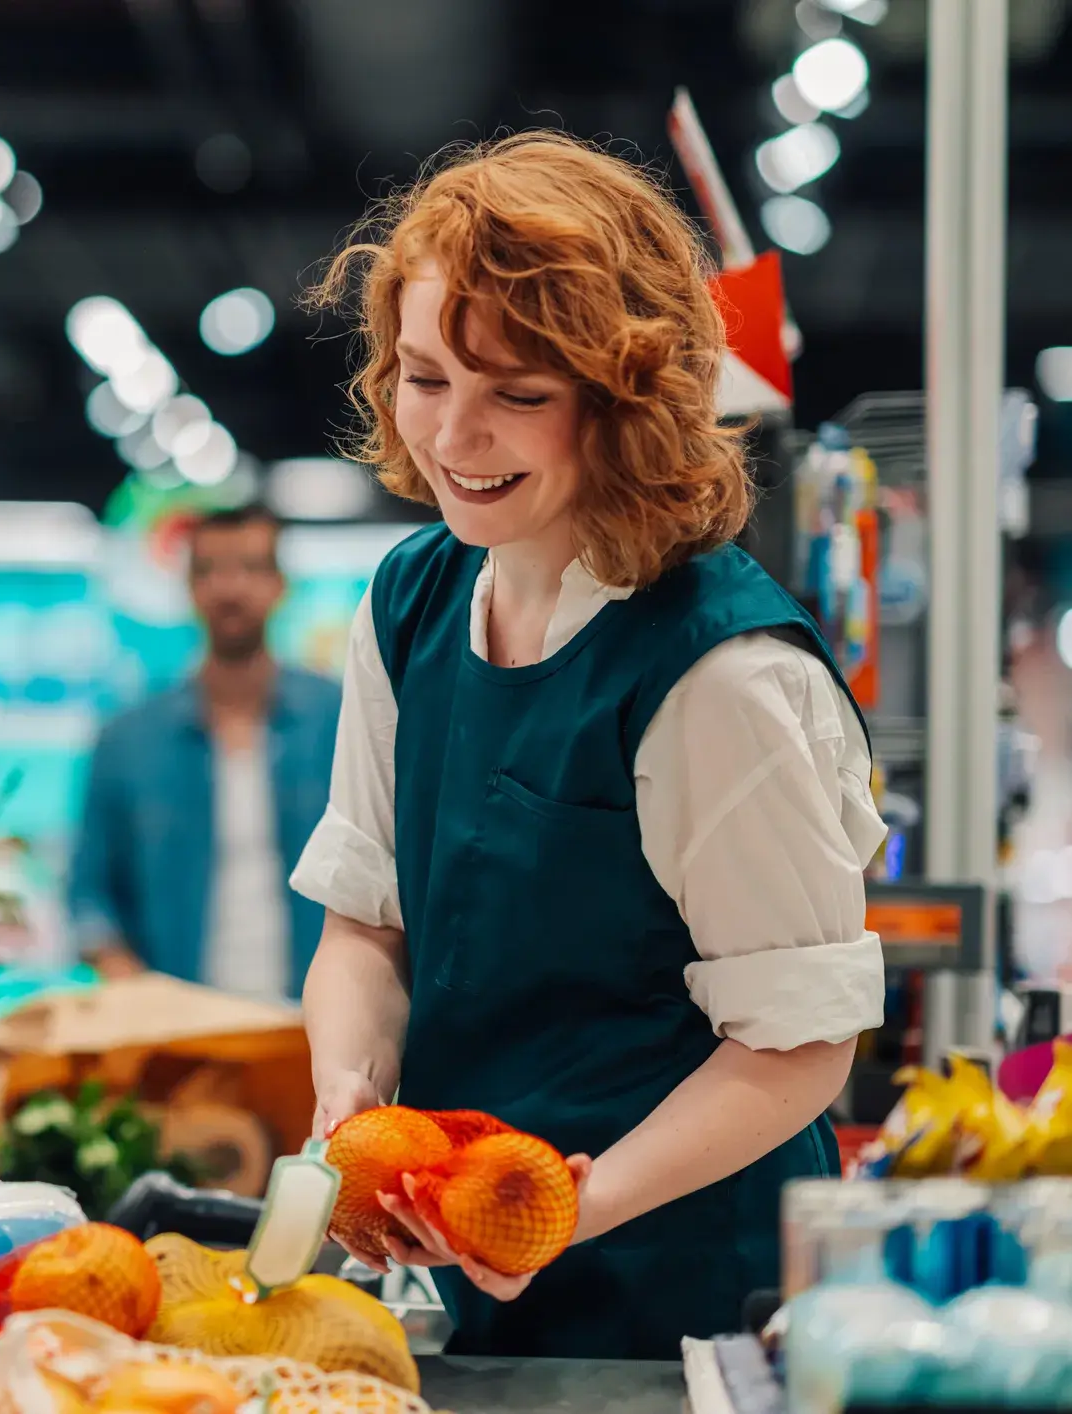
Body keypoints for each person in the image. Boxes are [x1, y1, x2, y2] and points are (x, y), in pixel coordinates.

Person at [290, 132, 885, 1358]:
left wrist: (569, 1210)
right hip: (486, 1281)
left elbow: (802, 1043)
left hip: (699, 1304)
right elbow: (367, 923)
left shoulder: (720, 675)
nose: (456, 437)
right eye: (425, 375)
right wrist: (349, 1090)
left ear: (625, 402)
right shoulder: (409, 605)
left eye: (518, 394)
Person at [70, 504, 342, 1002]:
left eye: (250, 568)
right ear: (189, 589)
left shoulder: (341, 721)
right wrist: (127, 979)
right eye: (209, 571)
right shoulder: (128, 739)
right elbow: (88, 893)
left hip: (315, 1027)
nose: (229, 588)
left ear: (281, 585)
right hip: (180, 1035)